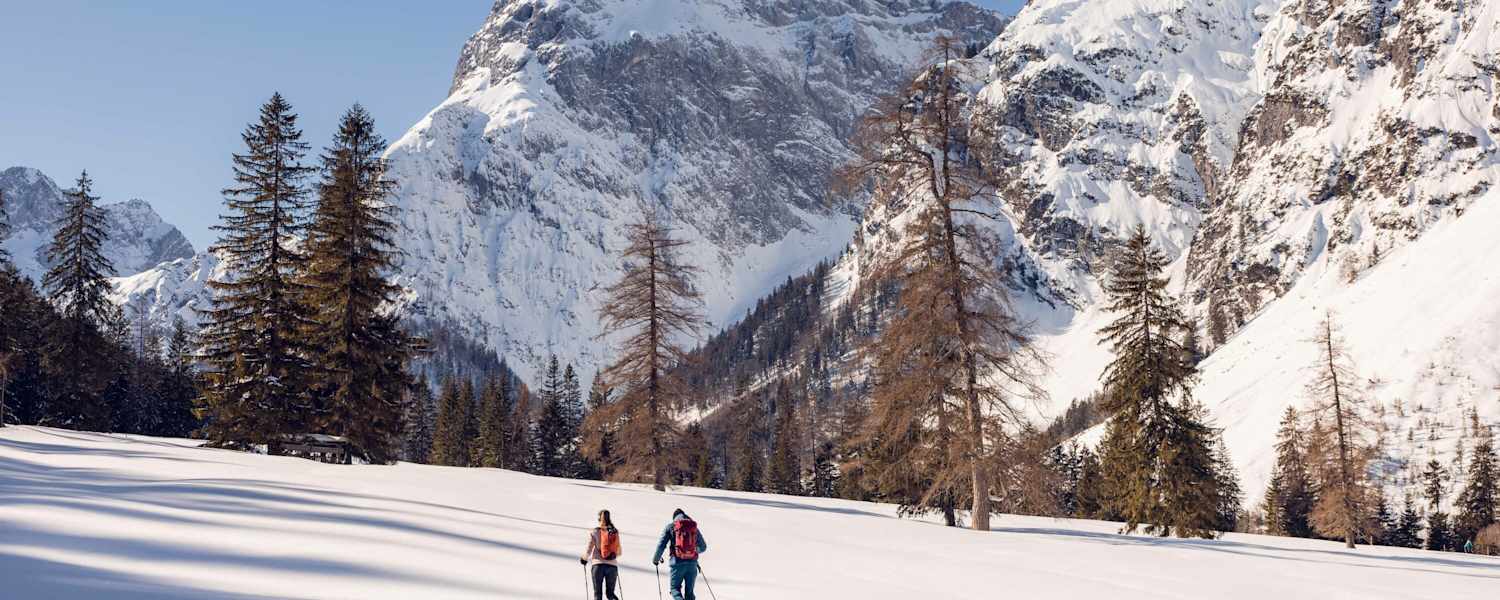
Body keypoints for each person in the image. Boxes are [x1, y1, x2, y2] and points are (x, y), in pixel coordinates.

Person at [653, 508, 708, 600]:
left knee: (675, 589)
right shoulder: (693, 528)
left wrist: (655, 559)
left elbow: (661, 545)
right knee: (689, 594)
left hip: (677, 564)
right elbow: (703, 547)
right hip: (692, 565)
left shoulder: (671, 527)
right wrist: (692, 551)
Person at [581, 509, 622, 600]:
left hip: (597, 566)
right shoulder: (614, 532)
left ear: (599, 519)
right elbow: (619, 552)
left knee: (598, 594)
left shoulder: (595, 532)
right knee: (610, 594)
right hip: (612, 567)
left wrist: (584, 559)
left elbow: (589, 548)